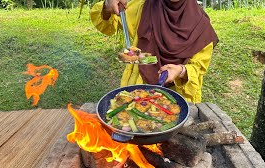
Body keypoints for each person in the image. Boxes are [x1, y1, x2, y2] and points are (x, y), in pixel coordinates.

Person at [90, 0, 218, 103]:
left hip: (178, 100)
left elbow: (198, 67)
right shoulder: (142, 6)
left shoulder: (201, 24)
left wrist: (180, 70)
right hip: (138, 93)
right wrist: (108, 5)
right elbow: (107, 24)